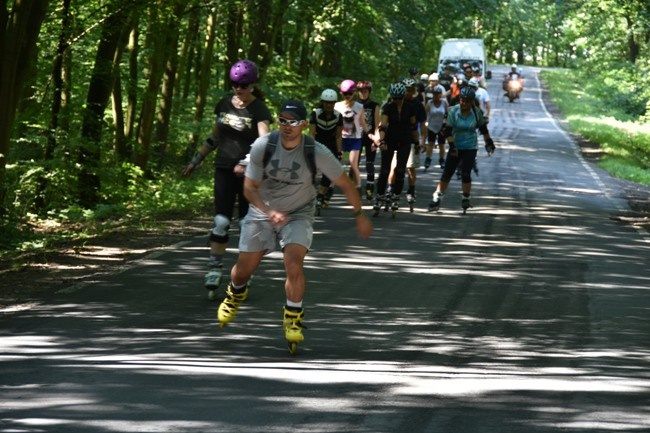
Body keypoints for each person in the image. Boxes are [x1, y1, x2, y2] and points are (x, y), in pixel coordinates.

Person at [216, 100, 373, 354]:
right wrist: (269, 211)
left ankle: (293, 315)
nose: (287, 126)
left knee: (294, 262)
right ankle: (235, 293)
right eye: (283, 120)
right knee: (243, 270)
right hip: (262, 209)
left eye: (293, 121)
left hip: (299, 211)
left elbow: (344, 183)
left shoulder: (316, 150)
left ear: (303, 125)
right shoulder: (263, 146)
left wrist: (359, 214)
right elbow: (248, 189)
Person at [182, 60, 272, 301]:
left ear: (252, 84)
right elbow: (214, 137)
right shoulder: (224, 104)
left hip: (249, 174)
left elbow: (264, 143)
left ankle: (244, 271)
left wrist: (246, 162)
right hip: (223, 168)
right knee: (221, 222)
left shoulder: (260, 110)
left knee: (246, 225)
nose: (238, 89)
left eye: (243, 85)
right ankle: (214, 268)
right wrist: (196, 159)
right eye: (234, 84)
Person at [428, 87, 495, 213]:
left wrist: (489, 143)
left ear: (471, 102)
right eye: (463, 101)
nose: (465, 103)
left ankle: (465, 197)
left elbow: (483, 129)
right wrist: (452, 146)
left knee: (466, 173)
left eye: (467, 101)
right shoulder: (454, 111)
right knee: (447, 173)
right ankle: (437, 197)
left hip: (470, 146)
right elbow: (447, 131)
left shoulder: (476, 112)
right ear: (460, 100)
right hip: (456, 145)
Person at [372, 82, 418, 215]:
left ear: (403, 96)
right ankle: (379, 195)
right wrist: (381, 140)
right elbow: (383, 126)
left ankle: (396, 195)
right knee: (385, 170)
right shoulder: (388, 108)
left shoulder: (410, 108)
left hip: (405, 140)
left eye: (399, 98)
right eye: (394, 98)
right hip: (390, 139)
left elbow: (413, 127)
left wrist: (417, 142)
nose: (397, 101)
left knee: (400, 169)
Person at [309, 88, 343, 213]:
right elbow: (312, 132)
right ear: (322, 102)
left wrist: (339, 152)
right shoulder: (315, 114)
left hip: (331, 145)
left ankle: (320, 196)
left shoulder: (338, 116)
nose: (328, 105)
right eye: (326, 102)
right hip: (318, 143)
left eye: (331, 103)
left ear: (334, 103)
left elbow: (339, 135)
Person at [335, 80, 369, 195]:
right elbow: (334, 123)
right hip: (341, 139)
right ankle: (329, 186)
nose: (347, 96)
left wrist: (371, 135)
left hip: (355, 139)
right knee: (336, 162)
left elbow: (363, 123)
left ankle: (358, 187)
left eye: (350, 93)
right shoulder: (337, 106)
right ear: (341, 93)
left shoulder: (359, 106)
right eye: (345, 94)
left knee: (353, 164)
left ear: (354, 93)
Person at [356, 81, 381, 202]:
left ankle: (370, 185)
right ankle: (356, 187)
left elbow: (377, 124)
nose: (362, 94)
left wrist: (376, 139)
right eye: (360, 91)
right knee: (354, 164)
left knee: (369, 163)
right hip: (356, 137)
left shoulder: (374, 106)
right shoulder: (354, 104)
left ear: (369, 92)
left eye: (365, 91)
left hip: (370, 137)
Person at [424, 85, 449, 169]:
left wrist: (446, 121)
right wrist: (425, 124)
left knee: (442, 144)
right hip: (431, 126)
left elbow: (448, 113)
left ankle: (442, 160)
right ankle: (428, 159)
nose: (437, 96)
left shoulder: (444, 103)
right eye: (435, 94)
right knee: (430, 143)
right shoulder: (429, 103)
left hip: (441, 126)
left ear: (441, 95)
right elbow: (425, 114)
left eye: (438, 94)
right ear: (433, 95)